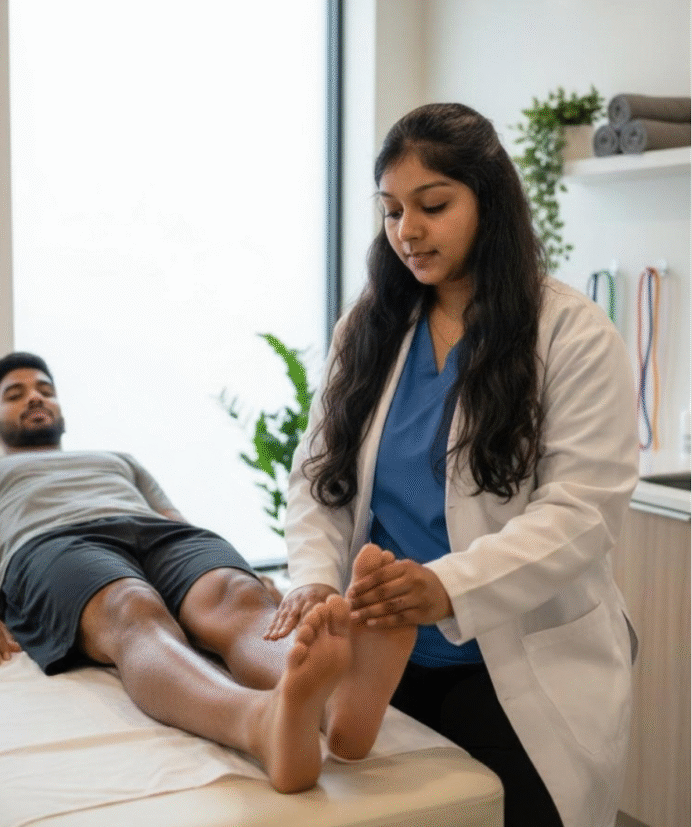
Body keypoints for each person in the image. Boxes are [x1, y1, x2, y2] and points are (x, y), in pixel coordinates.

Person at [265, 103, 638, 827]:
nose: (407, 229)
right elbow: (320, 478)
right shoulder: (370, 327)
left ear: (487, 200)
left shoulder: (571, 333)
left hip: (518, 666)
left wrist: (444, 585)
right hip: (389, 666)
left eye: (433, 205)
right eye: (393, 209)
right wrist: (313, 578)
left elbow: (581, 512)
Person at [0, 352, 416, 794]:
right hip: (52, 542)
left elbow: (174, 523)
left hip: (152, 533)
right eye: (16, 394)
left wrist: (239, 567)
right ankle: (256, 724)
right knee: (132, 608)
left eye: (45, 390)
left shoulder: (117, 460)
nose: (35, 398)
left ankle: (337, 710)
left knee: (235, 594)